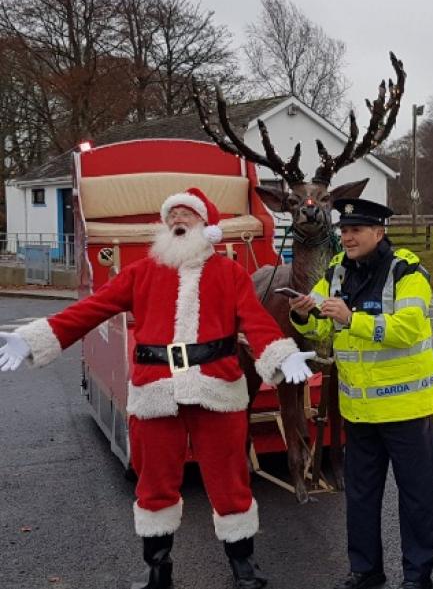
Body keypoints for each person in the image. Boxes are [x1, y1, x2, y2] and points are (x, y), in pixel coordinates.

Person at [0, 187, 316, 589]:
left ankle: (244, 568)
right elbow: (90, 310)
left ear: (207, 226)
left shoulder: (229, 274)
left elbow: (255, 319)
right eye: (173, 216)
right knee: (154, 484)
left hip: (216, 389)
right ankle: (158, 571)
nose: (178, 222)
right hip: (156, 391)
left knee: (230, 479)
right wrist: (35, 338)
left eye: (188, 215)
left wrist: (279, 353)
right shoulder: (140, 272)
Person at [288, 198, 433, 589]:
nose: (347, 237)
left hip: (407, 409)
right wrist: (303, 314)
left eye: (356, 230)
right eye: (344, 230)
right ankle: (366, 571)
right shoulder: (337, 271)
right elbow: (321, 331)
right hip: (358, 412)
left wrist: (352, 319)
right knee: (359, 498)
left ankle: (417, 577)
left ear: (379, 232)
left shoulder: (407, 271)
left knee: (416, 500)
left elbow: (407, 328)